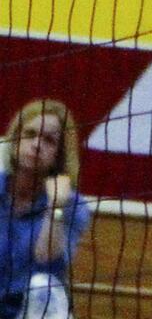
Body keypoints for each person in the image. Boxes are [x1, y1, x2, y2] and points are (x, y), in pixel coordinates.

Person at [0, 99, 91, 318]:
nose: (37, 145)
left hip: (35, 310)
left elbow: (46, 258)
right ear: (15, 140)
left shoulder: (73, 205)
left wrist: (55, 208)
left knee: (43, 285)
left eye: (49, 141)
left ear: (59, 156)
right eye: (30, 135)